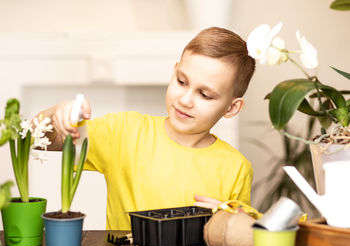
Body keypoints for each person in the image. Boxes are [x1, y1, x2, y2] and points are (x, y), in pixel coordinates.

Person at [37, 27, 256, 230]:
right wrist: (56, 114)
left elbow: (241, 237)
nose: (185, 100)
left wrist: (227, 221)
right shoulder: (124, 132)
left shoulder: (236, 168)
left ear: (231, 107)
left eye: (205, 94)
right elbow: (38, 140)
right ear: (174, 72)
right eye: (181, 82)